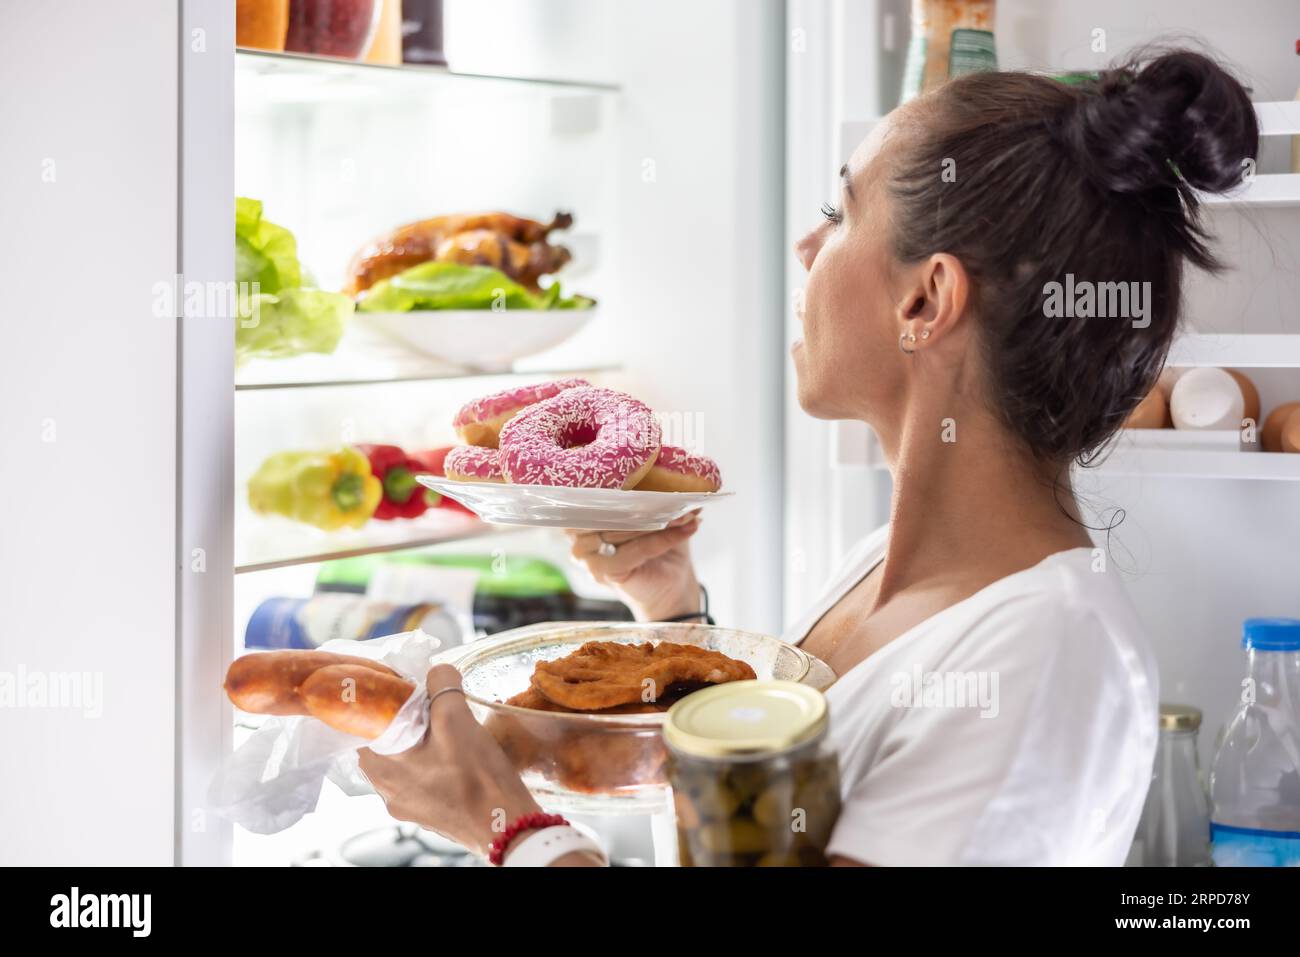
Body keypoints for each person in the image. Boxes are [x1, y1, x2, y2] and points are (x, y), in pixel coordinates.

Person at [359, 48, 1259, 866]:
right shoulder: (882, 570)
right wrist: (677, 630)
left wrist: (506, 826)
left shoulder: (1050, 656)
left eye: (840, 212)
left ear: (926, 301)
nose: (805, 248)